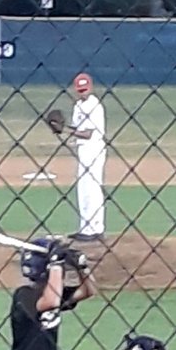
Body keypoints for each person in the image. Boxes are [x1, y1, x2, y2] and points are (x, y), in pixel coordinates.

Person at [69, 72, 106, 242]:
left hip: (94, 148)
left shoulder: (94, 105)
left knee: (92, 188)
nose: (82, 92)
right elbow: (77, 129)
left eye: (85, 89)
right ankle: (85, 228)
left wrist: (64, 130)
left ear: (90, 88)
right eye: (80, 90)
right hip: (83, 150)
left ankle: (95, 229)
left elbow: (87, 134)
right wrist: (62, 128)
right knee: (83, 188)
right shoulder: (78, 106)